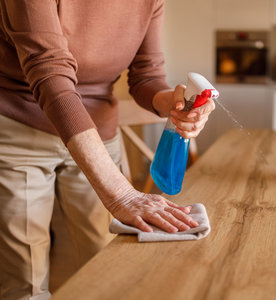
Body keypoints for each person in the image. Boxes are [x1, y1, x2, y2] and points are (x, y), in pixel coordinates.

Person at [0, 0, 215, 299]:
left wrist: (173, 104)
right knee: (26, 280)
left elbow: (146, 77)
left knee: (100, 263)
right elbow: (49, 73)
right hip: (19, 127)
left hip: (98, 137)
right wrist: (123, 194)